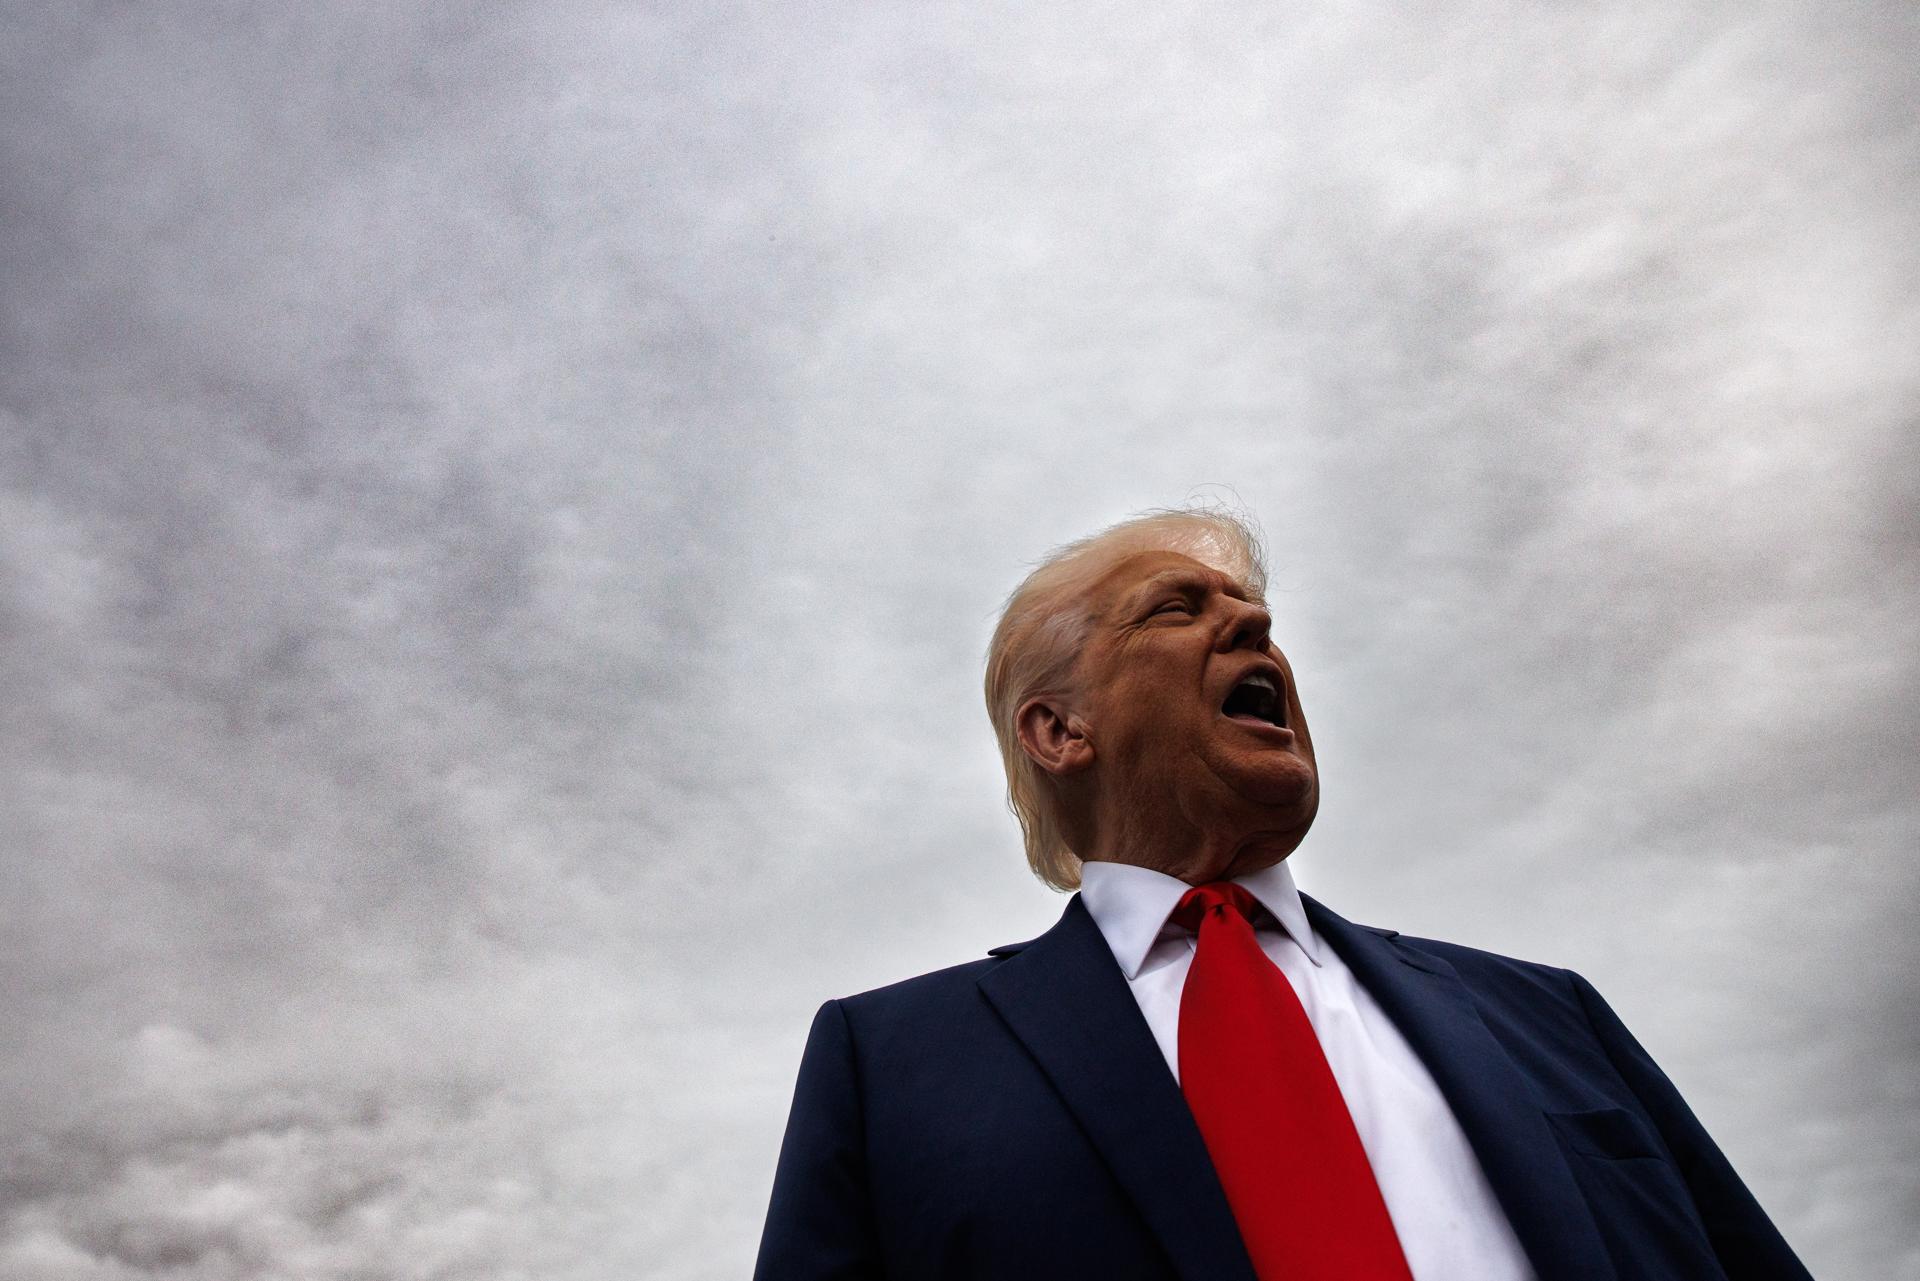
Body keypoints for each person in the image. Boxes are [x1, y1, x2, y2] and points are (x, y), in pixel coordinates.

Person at [753, 507, 1812, 1281]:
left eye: (1255, 611)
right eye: (1178, 609)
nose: (1254, 626)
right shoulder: (887, 1065)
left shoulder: (1551, 1014)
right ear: (1060, 730)